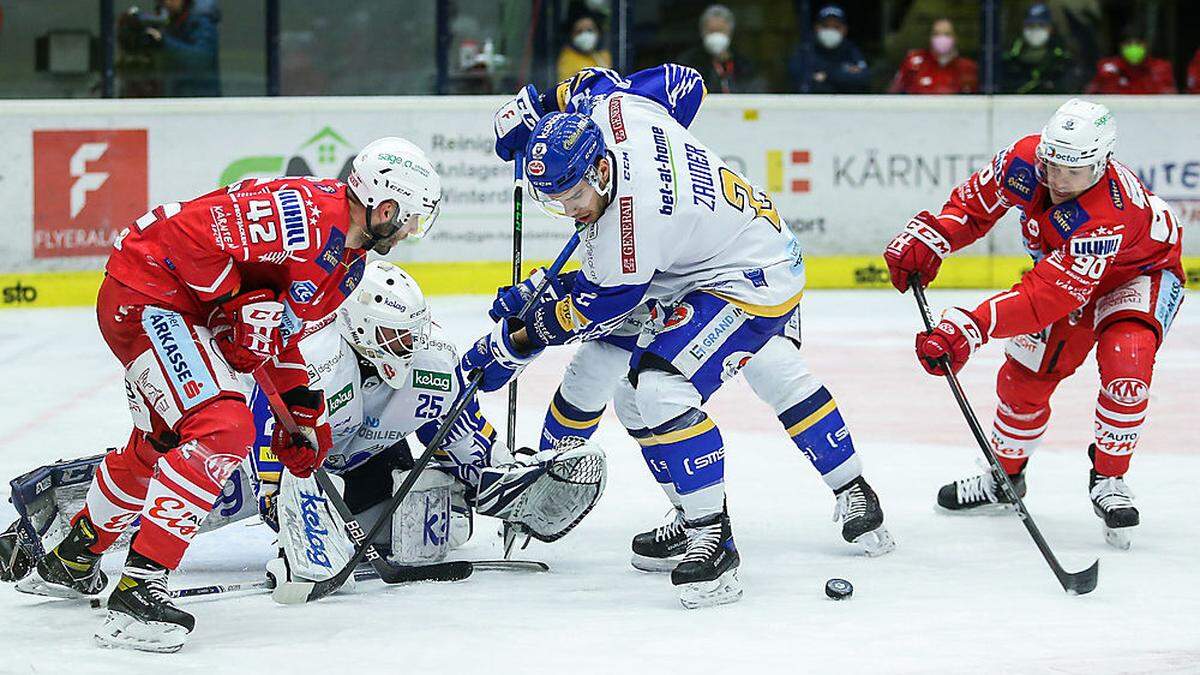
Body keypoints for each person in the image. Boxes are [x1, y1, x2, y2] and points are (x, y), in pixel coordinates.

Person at [478, 63, 894, 609]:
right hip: (702, 256)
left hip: (751, 273)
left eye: (574, 195)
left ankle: (715, 539)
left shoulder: (632, 223)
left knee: (666, 386)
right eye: (554, 200)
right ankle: (695, 509)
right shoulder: (613, 113)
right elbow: (681, 81)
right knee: (632, 392)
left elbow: (597, 305)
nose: (568, 211)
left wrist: (521, 335)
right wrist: (535, 106)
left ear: (602, 171)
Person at [9, 137, 442, 652]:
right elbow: (192, 234)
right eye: (410, 219)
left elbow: (279, 334)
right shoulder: (301, 212)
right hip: (148, 290)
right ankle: (138, 590)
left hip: (183, 311)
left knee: (162, 443)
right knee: (222, 426)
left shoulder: (347, 267)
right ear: (384, 206)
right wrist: (235, 302)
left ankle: (73, 556)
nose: (411, 231)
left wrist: (302, 412)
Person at [1, 263, 605, 595]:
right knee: (196, 496)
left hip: (360, 458)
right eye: (396, 337)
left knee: (419, 525)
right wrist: (283, 504)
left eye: (413, 334)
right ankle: (51, 503)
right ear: (363, 333)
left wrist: (504, 486)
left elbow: (461, 438)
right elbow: (267, 431)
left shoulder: (433, 366)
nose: (409, 347)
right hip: (290, 463)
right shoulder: (319, 360)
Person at [883, 99, 1184, 550]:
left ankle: (1109, 478)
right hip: (1066, 271)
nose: (1059, 180)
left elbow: (1049, 295)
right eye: (1052, 164)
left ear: (1102, 163)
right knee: (1023, 380)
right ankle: (1005, 478)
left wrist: (972, 324)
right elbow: (972, 208)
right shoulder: (1025, 159)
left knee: (1128, 363)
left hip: (1137, 275)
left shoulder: (1109, 212)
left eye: (1074, 171)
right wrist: (935, 236)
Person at [675, 4, 762, 94]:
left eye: (721, 30)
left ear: (730, 32)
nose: (716, 36)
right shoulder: (688, 63)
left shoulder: (744, 65)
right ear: (702, 32)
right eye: (712, 31)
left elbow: (756, 92)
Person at [145, 0, 222, 97]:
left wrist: (163, 42)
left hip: (199, 101)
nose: (167, 2)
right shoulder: (169, 18)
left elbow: (201, 60)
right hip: (174, 98)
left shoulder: (201, 18)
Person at [789, 4, 870, 93]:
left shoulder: (850, 50)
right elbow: (801, 80)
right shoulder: (806, 50)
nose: (831, 30)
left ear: (845, 29)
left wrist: (828, 76)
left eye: (836, 27)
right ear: (816, 28)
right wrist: (844, 75)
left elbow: (864, 78)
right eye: (825, 26)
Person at [1001, 3, 1080, 95]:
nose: (1035, 29)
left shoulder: (1063, 60)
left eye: (1041, 25)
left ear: (1051, 29)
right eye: (1030, 25)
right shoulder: (1010, 59)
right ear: (1023, 28)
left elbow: (1068, 87)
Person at [888, 17, 977, 94]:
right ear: (930, 37)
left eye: (947, 34)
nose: (942, 38)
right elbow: (894, 93)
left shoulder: (968, 68)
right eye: (936, 34)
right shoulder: (914, 63)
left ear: (955, 37)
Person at [1085, 25, 1176, 95]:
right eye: (1129, 43)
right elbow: (1092, 96)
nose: (1133, 47)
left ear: (1145, 46)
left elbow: (1169, 98)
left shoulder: (1160, 68)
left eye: (1138, 43)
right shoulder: (1106, 68)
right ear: (1121, 46)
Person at [556, 8, 612, 81]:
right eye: (579, 31)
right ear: (571, 35)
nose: (585, 35)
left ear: (598, 32)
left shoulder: (604, 55)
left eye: (590, 30)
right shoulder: (566, 59)